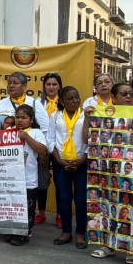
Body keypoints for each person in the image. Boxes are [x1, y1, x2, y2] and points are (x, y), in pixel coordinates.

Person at [47, 86, 87, 249]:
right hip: (61, 163)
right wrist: (59, 160)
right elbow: (50, 139)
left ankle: (80, 233)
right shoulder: (55, 116)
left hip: (81, 163)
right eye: (70, 99)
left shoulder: (86, 115)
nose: (75, 101)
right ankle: (66, 231)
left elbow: (91, 139)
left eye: (77, 97)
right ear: (62, 101)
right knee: (63, 198)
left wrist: (82, 160)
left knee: (81, 199)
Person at [5, 104, 47, 246]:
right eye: (17, 117)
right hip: (11, 179)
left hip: (28, 180)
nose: (20, 120)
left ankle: (25, 233)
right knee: (12, 206)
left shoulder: (35, 132)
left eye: (24, 117)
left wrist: (27, 137)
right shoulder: (9, 132)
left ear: (31, 120)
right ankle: (13, 230)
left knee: (27, 209)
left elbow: (42, 150)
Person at [35, 72, 61, 226]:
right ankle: (42, 212)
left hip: (60, 147)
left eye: (54, 84)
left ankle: (59, 215)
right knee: (42, 182)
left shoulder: (64, 102)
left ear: (59, 86)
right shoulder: (38, 103)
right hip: (42, 147)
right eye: (48, 84)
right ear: (44, 86)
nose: (51, 87)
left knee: (60, 182)